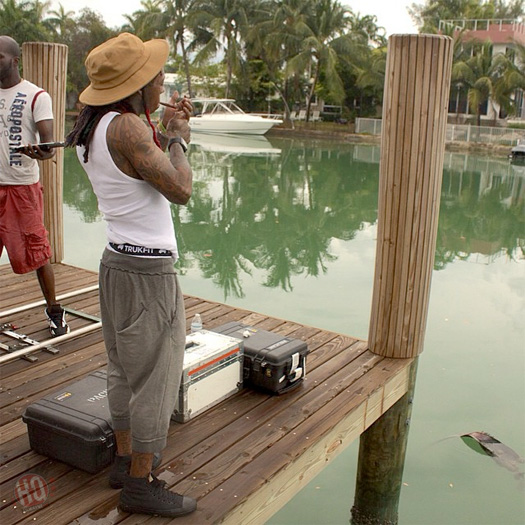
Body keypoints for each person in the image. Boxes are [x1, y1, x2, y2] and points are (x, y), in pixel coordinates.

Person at [66, 33, 196, 518]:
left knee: (122, 370)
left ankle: (124, 462)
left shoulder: (94, 127)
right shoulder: (127, 130)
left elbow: (141, 167)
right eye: (157, 74)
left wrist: (166, 128)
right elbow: (180, 188)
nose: (162, 79)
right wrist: (178, 137)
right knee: (156, 380)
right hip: (148, 274)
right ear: (137, 83)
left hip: (115, 265)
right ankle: (140, 484)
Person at [0, 35, 69, 337]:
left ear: (15, 60)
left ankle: (55, 312)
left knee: (38, 252)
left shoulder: (36, 96)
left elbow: (49, 147)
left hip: (22, 189)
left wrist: (38, 152)